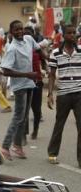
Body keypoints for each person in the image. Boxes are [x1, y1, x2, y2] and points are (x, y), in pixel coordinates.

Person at [0, 20, 47, 160]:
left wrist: (49, 58)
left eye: (21, 29)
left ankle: (17, 146)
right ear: (11, 31)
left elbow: (38, 50)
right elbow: (5, 71)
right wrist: (27, 74)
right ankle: (5, 146)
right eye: (16, 30)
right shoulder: (12, 48)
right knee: (18, 117)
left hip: (30, 84)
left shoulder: (29, 39)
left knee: (24, 117)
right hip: (20, 86)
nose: (19, 32)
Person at [47, 24, 81, 168]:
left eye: (74, 33)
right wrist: (49, 94)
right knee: (59, 124)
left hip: (79, 94)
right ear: (63, 35)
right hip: (63, 94)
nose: (72, 35)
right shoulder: (55, 53)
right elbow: (52, 75)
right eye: (69, 33)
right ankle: (52, 153)